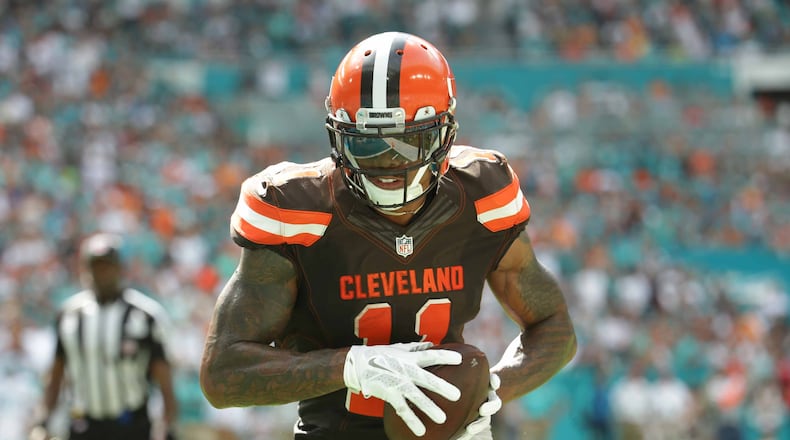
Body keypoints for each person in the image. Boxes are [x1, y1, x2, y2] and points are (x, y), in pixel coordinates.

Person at [200, 31, 577, 440]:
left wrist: (490, 391)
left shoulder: (482, 193)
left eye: (409, 142)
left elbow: (555, 327)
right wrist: (353, 367)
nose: (388, 165)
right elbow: (223, 374)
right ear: (337, 136)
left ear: (446, 133)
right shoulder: (295, 209)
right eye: (367, 145)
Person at [29, 233, 179, 440]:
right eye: (95, 266)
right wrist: (42, 422)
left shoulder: (145, 315)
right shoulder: (69, 315)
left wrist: (166, 426)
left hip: (132, 424)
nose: (101, 273)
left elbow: (164, 379)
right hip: (84, 424)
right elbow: (55, 377)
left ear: (120, 268)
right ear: (84, 270)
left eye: (106, 266)